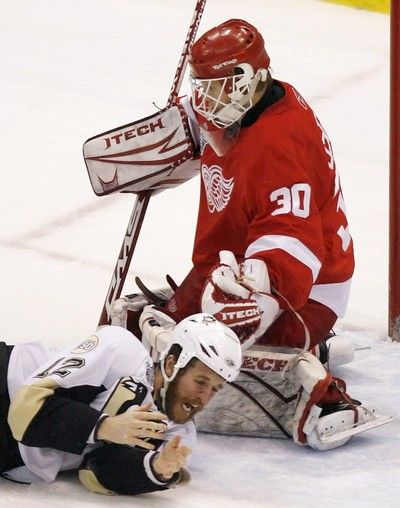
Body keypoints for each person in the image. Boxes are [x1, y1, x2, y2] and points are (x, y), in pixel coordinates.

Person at [112, 19, 392, 450]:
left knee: (202, 349)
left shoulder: (280, 140)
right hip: (235, 262)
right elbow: (209, 133)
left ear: (252, 79)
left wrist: (260, 287)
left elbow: (294, 237)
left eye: (221, 86)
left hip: (306, 290)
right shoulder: (247, 105)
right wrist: (165, 136)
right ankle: (305, 346)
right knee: (159, 328)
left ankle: (322, 394)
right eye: (202, 86)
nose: (207, 98)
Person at [0, 314, 242, 495]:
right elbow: (24, 410)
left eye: (215, 389)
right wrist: (105, 427)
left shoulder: (178, 437)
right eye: (201, 381)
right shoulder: (124, 351)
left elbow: (94, 474)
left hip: (12, 456)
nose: (205, 397)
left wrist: (157, 469)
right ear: (171, 364)